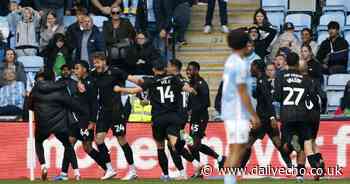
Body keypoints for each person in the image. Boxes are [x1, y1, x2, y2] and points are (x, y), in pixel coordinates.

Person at [114, 59, 196, 181]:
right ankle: (182, 144)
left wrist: (120, 89)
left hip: (158, 118)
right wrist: (193, 91)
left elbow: (133, 91)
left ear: (153, 70)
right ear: (165, 68)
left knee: (160, 147)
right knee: (174, 143)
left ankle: (166, 175)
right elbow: (187, 88)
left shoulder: (151, 81)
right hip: (173, 117)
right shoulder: (174, 78)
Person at [29, 70, 87, 181]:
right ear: (53, 77)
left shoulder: (35, 89)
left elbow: (30, 105)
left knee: (38, 142)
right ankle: (77, 173)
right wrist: (84, 112)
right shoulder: (60, 88)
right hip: (59, 125)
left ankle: (43, 166)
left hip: (43, 124)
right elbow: (71, 104)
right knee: (68, 145)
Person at [89, 52, 139, 180]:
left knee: (121, 140)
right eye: (94, 63)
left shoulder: (115, 72)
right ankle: (110, 169)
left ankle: (132, 170)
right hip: (103, 112)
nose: (96, 65)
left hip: (117, 111)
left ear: (104, 61)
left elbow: (132, 79)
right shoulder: (94, 74)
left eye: (98, 62)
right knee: (98, 140)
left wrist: (143, 84)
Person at [274, 52, 323, 180]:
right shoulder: (305, 79)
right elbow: (312, 98)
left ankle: (291, 143)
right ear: (297, 63)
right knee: (306, 145)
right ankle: (315, 169)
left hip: (287, 116)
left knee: (285, 147)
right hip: (303, 116)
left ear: (286, 63)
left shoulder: (280, 76)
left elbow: (277, 97)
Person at [222, 29, 260, 184]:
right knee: (239, 150)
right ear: (245, 44)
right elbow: (242, 91)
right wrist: (253, 114)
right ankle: (229, 181)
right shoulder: (241, 64)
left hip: (229, 111)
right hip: (238, 112)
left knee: (234, 150)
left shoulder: (230, 60)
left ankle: (229, 181)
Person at [240, 60, 292, 169]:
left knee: (247, 144)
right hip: (266, 118)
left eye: (252, 67)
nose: (250, 69)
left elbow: (268, 100)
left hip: (263, 119)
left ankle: (240, 169)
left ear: (257, 68)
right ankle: (290, 166)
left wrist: (272, 117)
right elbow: (262, 97)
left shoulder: (262, 81)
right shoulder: (262, 80)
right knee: (278, 144)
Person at [186, 61, 226, 178]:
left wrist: (193, 111)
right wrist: (189, 109)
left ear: (197, 71)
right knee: (193, 144)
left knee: (193, 144)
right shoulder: (192, 83)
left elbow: (206, 103)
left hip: (200, 117)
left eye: (191, 69)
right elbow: (192, 101)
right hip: (195, 117)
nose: (188, 71)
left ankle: (202, 169)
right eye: (187, 69)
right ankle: (218, 159)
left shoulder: (201, 83)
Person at [103, 6, 136, 71]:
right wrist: (120, 41)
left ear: (120, 13)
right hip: (111, 47)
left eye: (117, 12)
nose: (115, 14)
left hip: (125, 48)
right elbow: (106, 38)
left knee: (124, 52)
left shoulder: (126, 22)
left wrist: (126, 41)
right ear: (110, 14)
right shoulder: (106, 23)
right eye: (113, 13)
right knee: (114, 51)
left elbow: (133, 34)